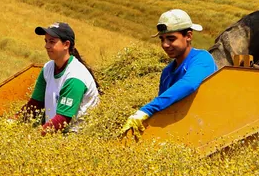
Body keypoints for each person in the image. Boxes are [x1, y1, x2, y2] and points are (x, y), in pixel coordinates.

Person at [119, 9, 217, 139]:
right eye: (162, 39)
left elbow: (188, 84)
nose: (165, 45)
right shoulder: (167, 72)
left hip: (208, 132)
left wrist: (146, 110)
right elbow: (165, 110)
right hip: (181, 133)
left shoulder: (202, 58)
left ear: (188, 36)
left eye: (171, 39)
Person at [18, 22, 101, 134]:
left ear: (66, 44)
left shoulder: (75, 76)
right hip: (53, 134)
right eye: (46, 41)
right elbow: (35, 105)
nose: (46, 46)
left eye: (52, 42)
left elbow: (63, 120)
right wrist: (13, 122)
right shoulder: (48, 68)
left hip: (75, 137)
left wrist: (34, 136)